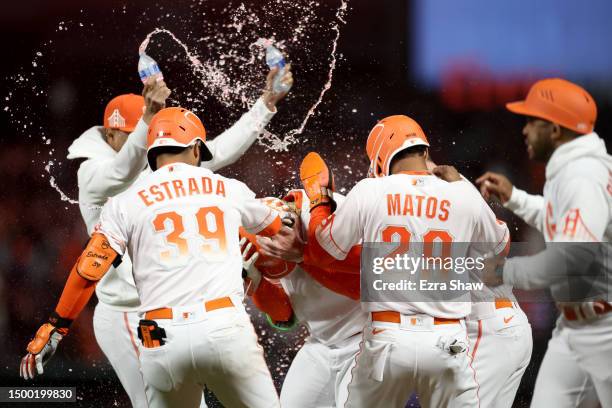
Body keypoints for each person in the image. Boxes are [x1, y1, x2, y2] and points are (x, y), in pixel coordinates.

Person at [28, 65, 292, 407]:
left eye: (149, 130)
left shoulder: (148, 183)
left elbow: (221, 149)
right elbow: (123, 171)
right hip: (128, 312)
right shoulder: (94, 172)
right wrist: (287, 217)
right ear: (109, 135)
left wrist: (265, 104)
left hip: (162, 326)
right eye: (135, 130)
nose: (141, 138)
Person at [296, 115, 511, 407]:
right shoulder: (462, 193)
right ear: (425, 152)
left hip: (388, 339)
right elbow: (500, 246)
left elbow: (323, 251)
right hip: (448, 340)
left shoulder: (370, 190)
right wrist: (463, 187)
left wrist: (320, 199)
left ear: (381, 158)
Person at [477, 78, 612, 408]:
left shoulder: (582, 176)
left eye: (532, 122)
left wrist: (506, 272)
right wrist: (515, 198)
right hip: (576, 328)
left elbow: (572, 259)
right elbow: (560, 219)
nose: (524, 130)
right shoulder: (573, 169)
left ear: (554, 130)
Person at [241, 192, 367, 407]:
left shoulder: (334, 211)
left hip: (368, 337)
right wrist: (259, 284)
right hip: (320, 343)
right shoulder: (253, 242)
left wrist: (303, 255)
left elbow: (372, 278)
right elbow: (285, 318)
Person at [425, 159, 533, 408]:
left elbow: (501, 241)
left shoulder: (442, 197)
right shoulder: (457, 190)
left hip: (487, 327)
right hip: (507, 323)